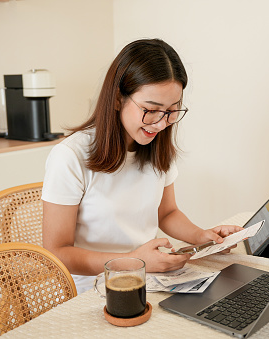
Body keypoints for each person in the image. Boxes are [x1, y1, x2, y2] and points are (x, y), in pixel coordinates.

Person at [42, 38, 241, 294]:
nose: (160, 124)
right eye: (150, 109)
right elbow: (56, 253)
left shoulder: (156, 147)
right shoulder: (70, 156)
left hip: (150, 280)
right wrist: (134, 262)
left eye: (171, 111)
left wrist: (202, 238)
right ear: (117, 99)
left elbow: (166, 213)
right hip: (91, 289)